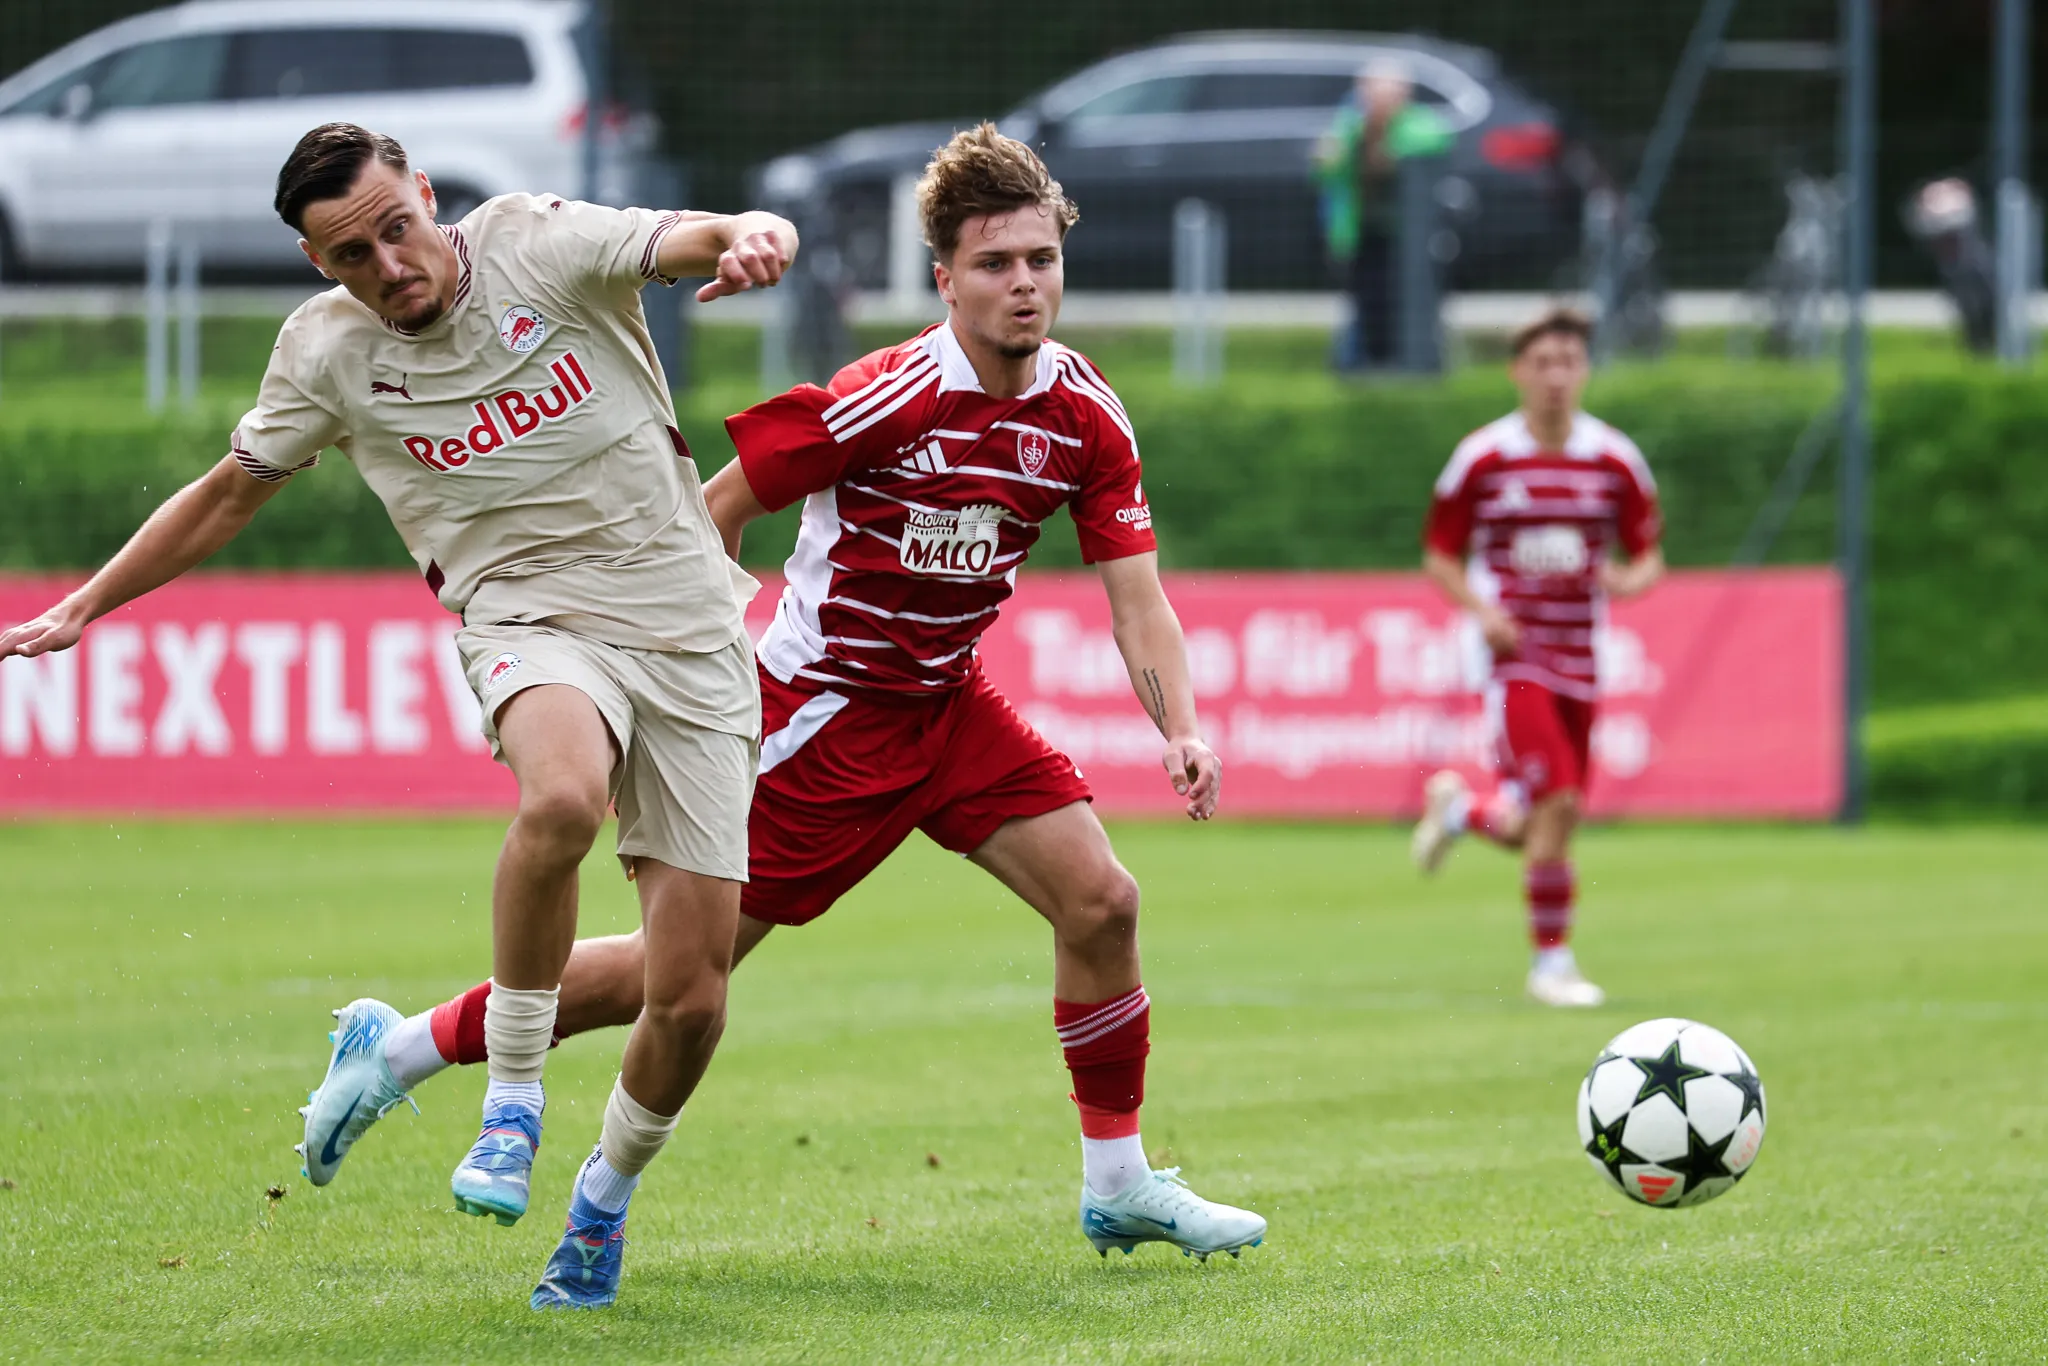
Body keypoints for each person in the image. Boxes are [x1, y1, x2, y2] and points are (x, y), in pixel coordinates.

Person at [297, 123, 1267, 1281]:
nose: (1024, 284)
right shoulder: (881, 398)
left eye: (1039, 260)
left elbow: (1137, 598)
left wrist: (1181, 727)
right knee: (674, 982)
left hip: (944, 710)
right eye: (995, 264)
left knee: (1103, 901)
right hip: (812, 719)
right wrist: (678, 668)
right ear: (944, 278)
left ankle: (1117, 1185)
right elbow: (706, 509)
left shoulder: (1084, 414)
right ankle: (410, 1057)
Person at [0, 122, 798, 1309]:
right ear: (320, 267)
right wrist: (88, 603)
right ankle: (512, 1104)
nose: (387, 266)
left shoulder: (536, 242)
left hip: (689, 632)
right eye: (350, 256)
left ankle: (597, 1213)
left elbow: (692, 238)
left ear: (428, 197)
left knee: (687, 997)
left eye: (395, 228)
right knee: (564, 794)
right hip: (529, 622)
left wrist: (752, 235)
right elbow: (228, 496)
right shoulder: (323, 354)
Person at [1408, 309, 1664, 1007]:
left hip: (1583, 658)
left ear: (1584, 371)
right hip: (1514, 658)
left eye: (1569, 361)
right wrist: (1484, 612)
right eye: (1542, 362)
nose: (1556, 376)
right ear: (1517, 372)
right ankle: (1552, 964)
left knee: (1543, 823)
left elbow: (1648, 557)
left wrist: (1625, 580)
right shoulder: (1484, 458)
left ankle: (1460, 812)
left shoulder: (1613, 459)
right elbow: (1439, 556)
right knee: (1556, 802)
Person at [1314, 59, 1452, 371]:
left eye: (1388, 94)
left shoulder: (1419, 123)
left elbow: (1434, 142)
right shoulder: (1350, 126)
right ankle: (1367, 365)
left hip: (1409, 238)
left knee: (1409, 302)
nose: (1380, 101)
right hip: (1362, 233)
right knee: (1367, 301)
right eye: (1373, 92)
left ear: (1404, 95)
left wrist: (1386, 138)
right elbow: (1324, 169)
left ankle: (1407, 364)